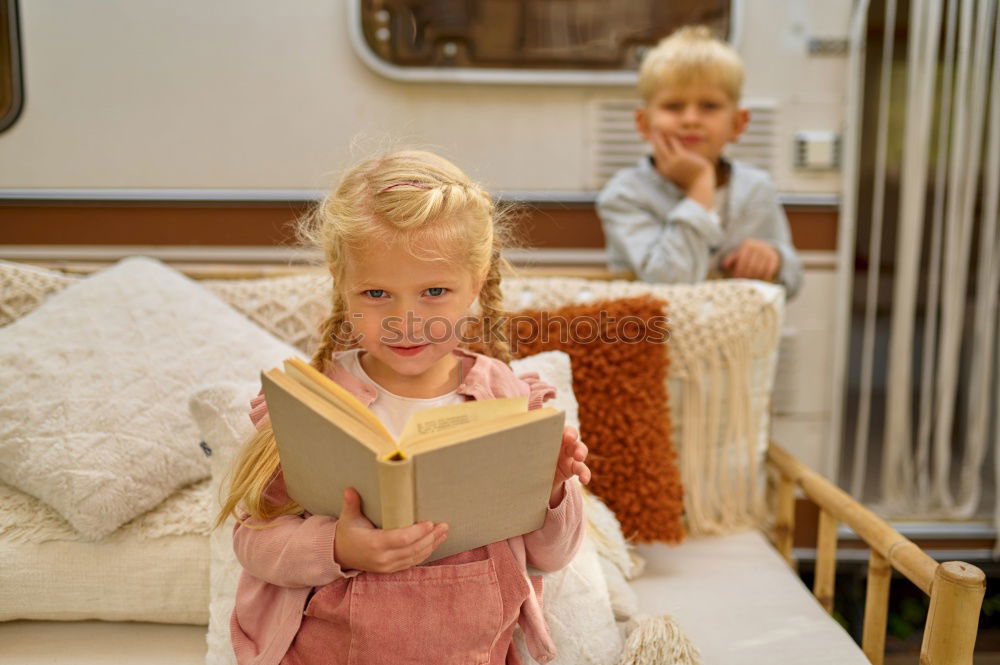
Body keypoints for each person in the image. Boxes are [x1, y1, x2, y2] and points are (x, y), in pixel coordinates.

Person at [216, 149, 591, 665]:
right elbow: (254, 541)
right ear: (341, 286)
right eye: (376, 293)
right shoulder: (319, 404)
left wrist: (550, 490)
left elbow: (554, 557)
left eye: (434, 291)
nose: (405, 320)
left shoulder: (504, 396)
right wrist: (338, 549)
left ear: (475, 284)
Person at [596, 26, 803, 298]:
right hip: (655, 338)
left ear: (738, 124)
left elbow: (792, 282)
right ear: (644, 123)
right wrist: (699, 188)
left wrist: (775, 260)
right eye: (673, 106)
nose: (690, 119)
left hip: (738, 337)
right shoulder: (624, 195)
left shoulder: (756, 188)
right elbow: (671, 282)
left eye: (709, 106)